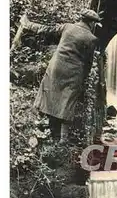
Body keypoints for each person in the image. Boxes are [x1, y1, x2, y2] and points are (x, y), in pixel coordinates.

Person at [20, 9, 102, 142]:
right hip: (74, 73)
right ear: (91, 23)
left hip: (57, 66)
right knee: (68, 101)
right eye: (95, 23)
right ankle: (63, 138)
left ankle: (42, 124)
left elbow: (46, 29)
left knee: (49, 93)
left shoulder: (67, 27)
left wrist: (27, 24)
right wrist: (84, 78)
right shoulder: (92, 39)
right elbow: (88, 62)